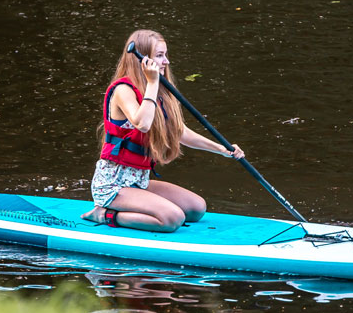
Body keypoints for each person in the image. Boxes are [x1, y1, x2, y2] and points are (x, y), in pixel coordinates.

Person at [81, 29, 245, 232]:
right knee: (172, 219)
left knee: (196, 209)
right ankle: (104, 214)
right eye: (159, 56)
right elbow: (142, 123)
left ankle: (134, 206)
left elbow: (180, 132)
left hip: (139, 181)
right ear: (142, 60)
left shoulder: (160, 92)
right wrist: (152, 83)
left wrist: (222, 149)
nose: (166, 61)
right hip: (113, 186)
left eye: (165, 55)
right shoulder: (123, 90)